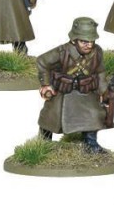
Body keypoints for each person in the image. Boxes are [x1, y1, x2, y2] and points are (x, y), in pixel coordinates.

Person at [37, 17, 110, 153]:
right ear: (74, 40)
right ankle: (43, 142)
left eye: (91, 41)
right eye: (84, 42)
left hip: (86, 92)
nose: (89, 45)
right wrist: (46, 84)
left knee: (94, 115)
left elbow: (100, 72)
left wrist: (104, 91)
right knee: (50, 117)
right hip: (63, 93)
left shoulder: (97, 52)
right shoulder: (62, 51)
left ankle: (91, 144)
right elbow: (42, 61)